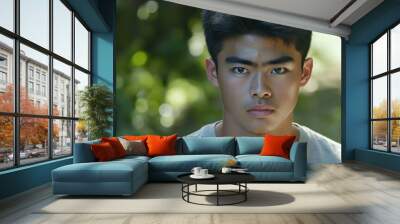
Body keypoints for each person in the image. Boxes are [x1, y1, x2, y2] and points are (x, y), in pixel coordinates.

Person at [187, 10, 341, 164]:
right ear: (214, 72)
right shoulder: (179, 160)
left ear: (305, 73)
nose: (260, 90)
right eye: (240, 70)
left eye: (278, 70)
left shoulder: (338, 162)